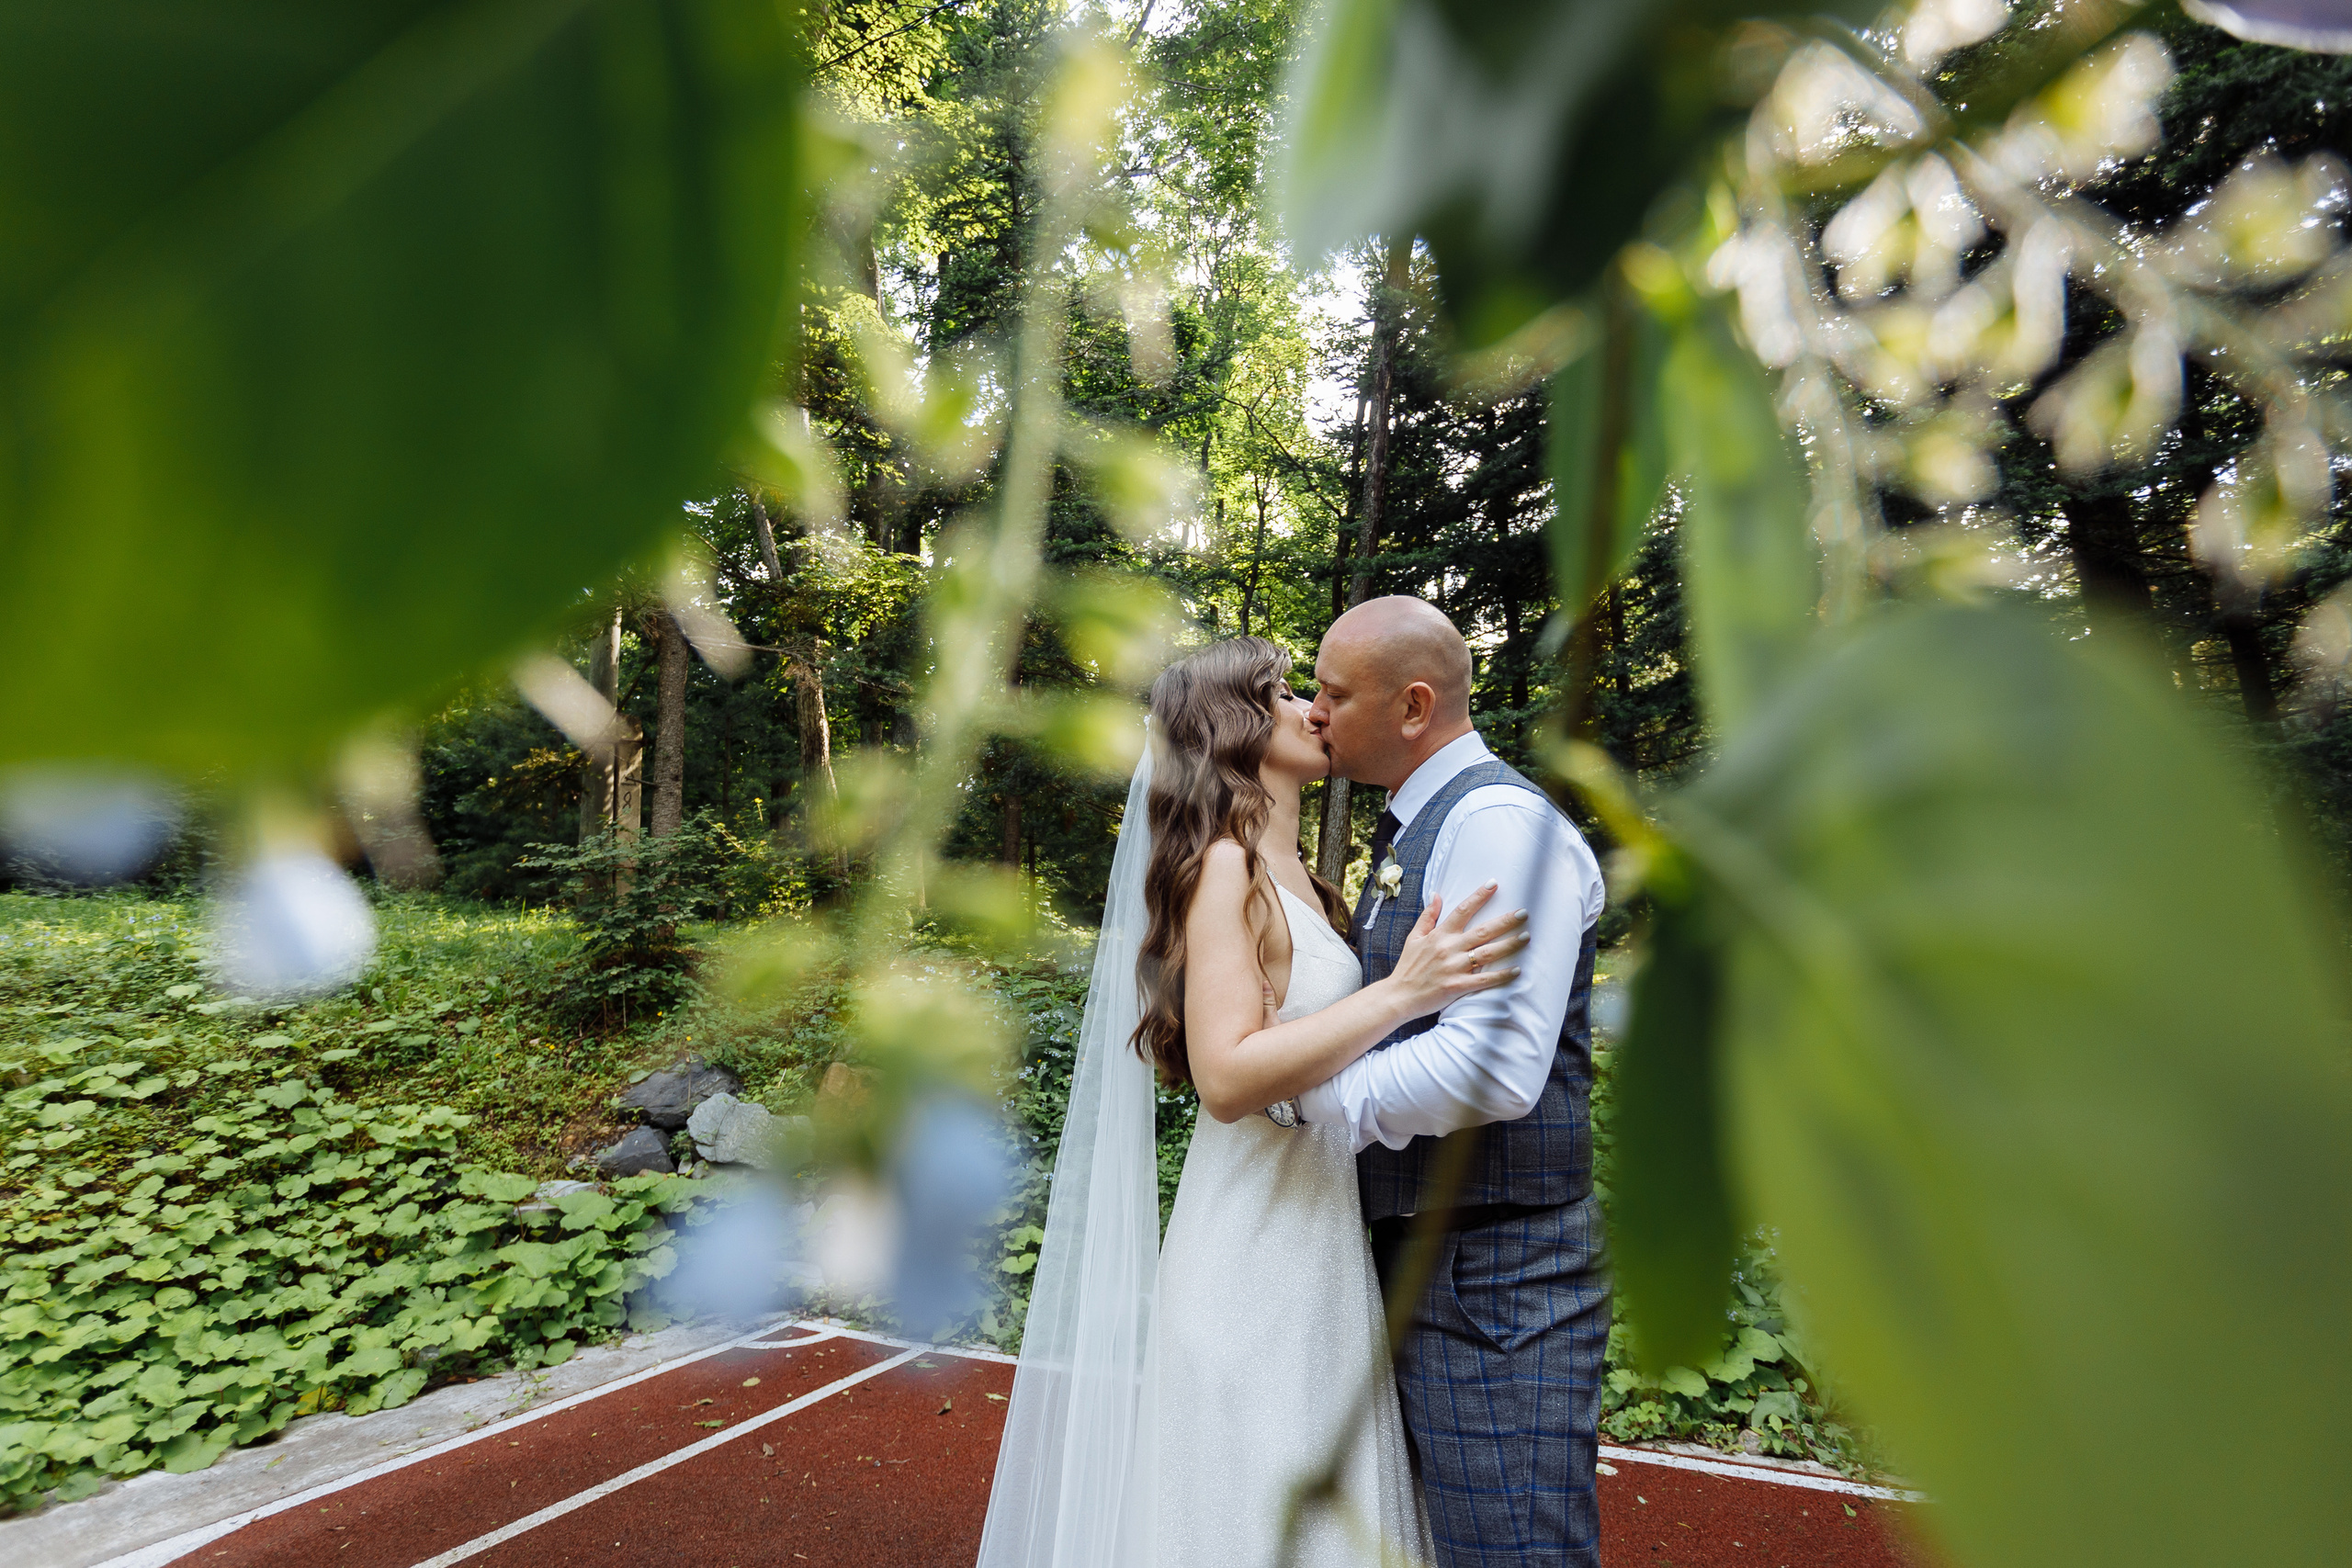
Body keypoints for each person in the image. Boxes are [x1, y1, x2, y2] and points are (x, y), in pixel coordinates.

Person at [976, 636, 1532, 1568]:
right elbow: (1228, 1078)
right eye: (1283, 695)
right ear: (1234, 726)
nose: (1312, 709)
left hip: (1320, 1240)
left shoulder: (1306, 886)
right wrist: (1402, 991)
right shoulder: (1222, 867)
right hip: (1252, 1249)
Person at [1302, 596, 1611, 1568]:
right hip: (1439, 1262)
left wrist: (1314, 1104)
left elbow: (1493, 1066)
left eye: (1333, 691)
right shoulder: (1428, 827)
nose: (1313, 710)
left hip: (1492, 1281)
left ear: (1413, 705)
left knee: (1513, 1548)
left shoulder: (1494, 826)